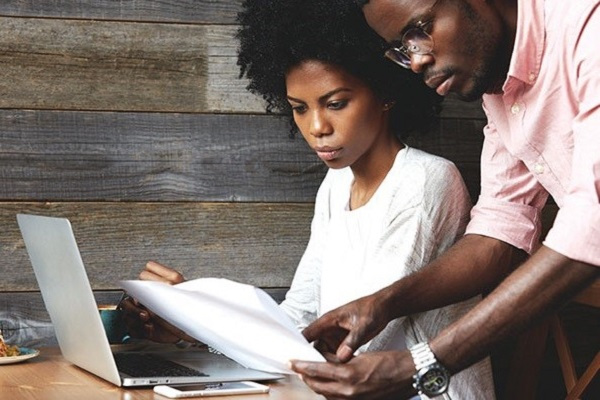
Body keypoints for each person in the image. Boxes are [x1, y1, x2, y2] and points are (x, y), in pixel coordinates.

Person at [121, 0, 496, 398]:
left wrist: (202, 318)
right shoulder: (336, 187)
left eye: (335, 104)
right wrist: (188, 327)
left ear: (385, 92)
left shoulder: (425, 180)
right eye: (299, 109)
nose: (316, 127)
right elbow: (298, 319)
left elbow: (356, 346)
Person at [288, 0, 600, 399]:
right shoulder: (501, 91)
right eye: (403, 48)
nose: (416, 62)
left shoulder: (586, 26)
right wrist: (383, 304)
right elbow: (498, 231)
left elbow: (591, 222)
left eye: (420, 29)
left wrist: (424, 362)